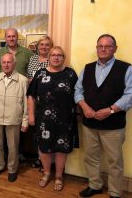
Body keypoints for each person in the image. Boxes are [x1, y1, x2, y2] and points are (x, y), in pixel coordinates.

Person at [75, 34, 132, 198]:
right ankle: (95, 185)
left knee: (115, 161)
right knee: (91, 157)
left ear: (115, 49)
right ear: (96, 48)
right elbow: (78, 90)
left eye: (108, 46)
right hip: (89, 123)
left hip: (113, 126)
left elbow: (130, 95)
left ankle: (115, 192)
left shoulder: (125, 68)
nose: (103, 49)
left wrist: (109, 110)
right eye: (100, 46)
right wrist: (84, 106)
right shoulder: (87, 68)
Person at [27, 46, 78, 191]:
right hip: (43, 119)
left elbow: (79, 95)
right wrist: (30, 115)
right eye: (53, 55)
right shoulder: (40, 73)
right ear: (48, 57)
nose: (56, 57)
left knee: (62, 149)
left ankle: (59, 176)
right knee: (44, 148)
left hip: (65, 118)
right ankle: (47, 173)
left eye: (59, 55)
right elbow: (31, 96)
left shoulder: (70, 74)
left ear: (64, 58)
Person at [0, 52, 29, 182]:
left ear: (14, 64)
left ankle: (12, 169)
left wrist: (25, 121)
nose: (6, 64)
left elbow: (26, 102)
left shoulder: (23, 80)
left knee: (13, 146)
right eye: (3, 62)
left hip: (13, 118)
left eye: (9, 62)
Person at [26, 36, 53, 169]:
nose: (44, 47)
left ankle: (48, 162)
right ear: (37, 47)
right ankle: (39, 157)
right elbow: (29, 77)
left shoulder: (53, 59)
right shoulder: (32, 59)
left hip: (48, 101)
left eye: (47, 45)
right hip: (34, 99)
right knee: (38, 131)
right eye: (41, 45)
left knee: (49, 130)